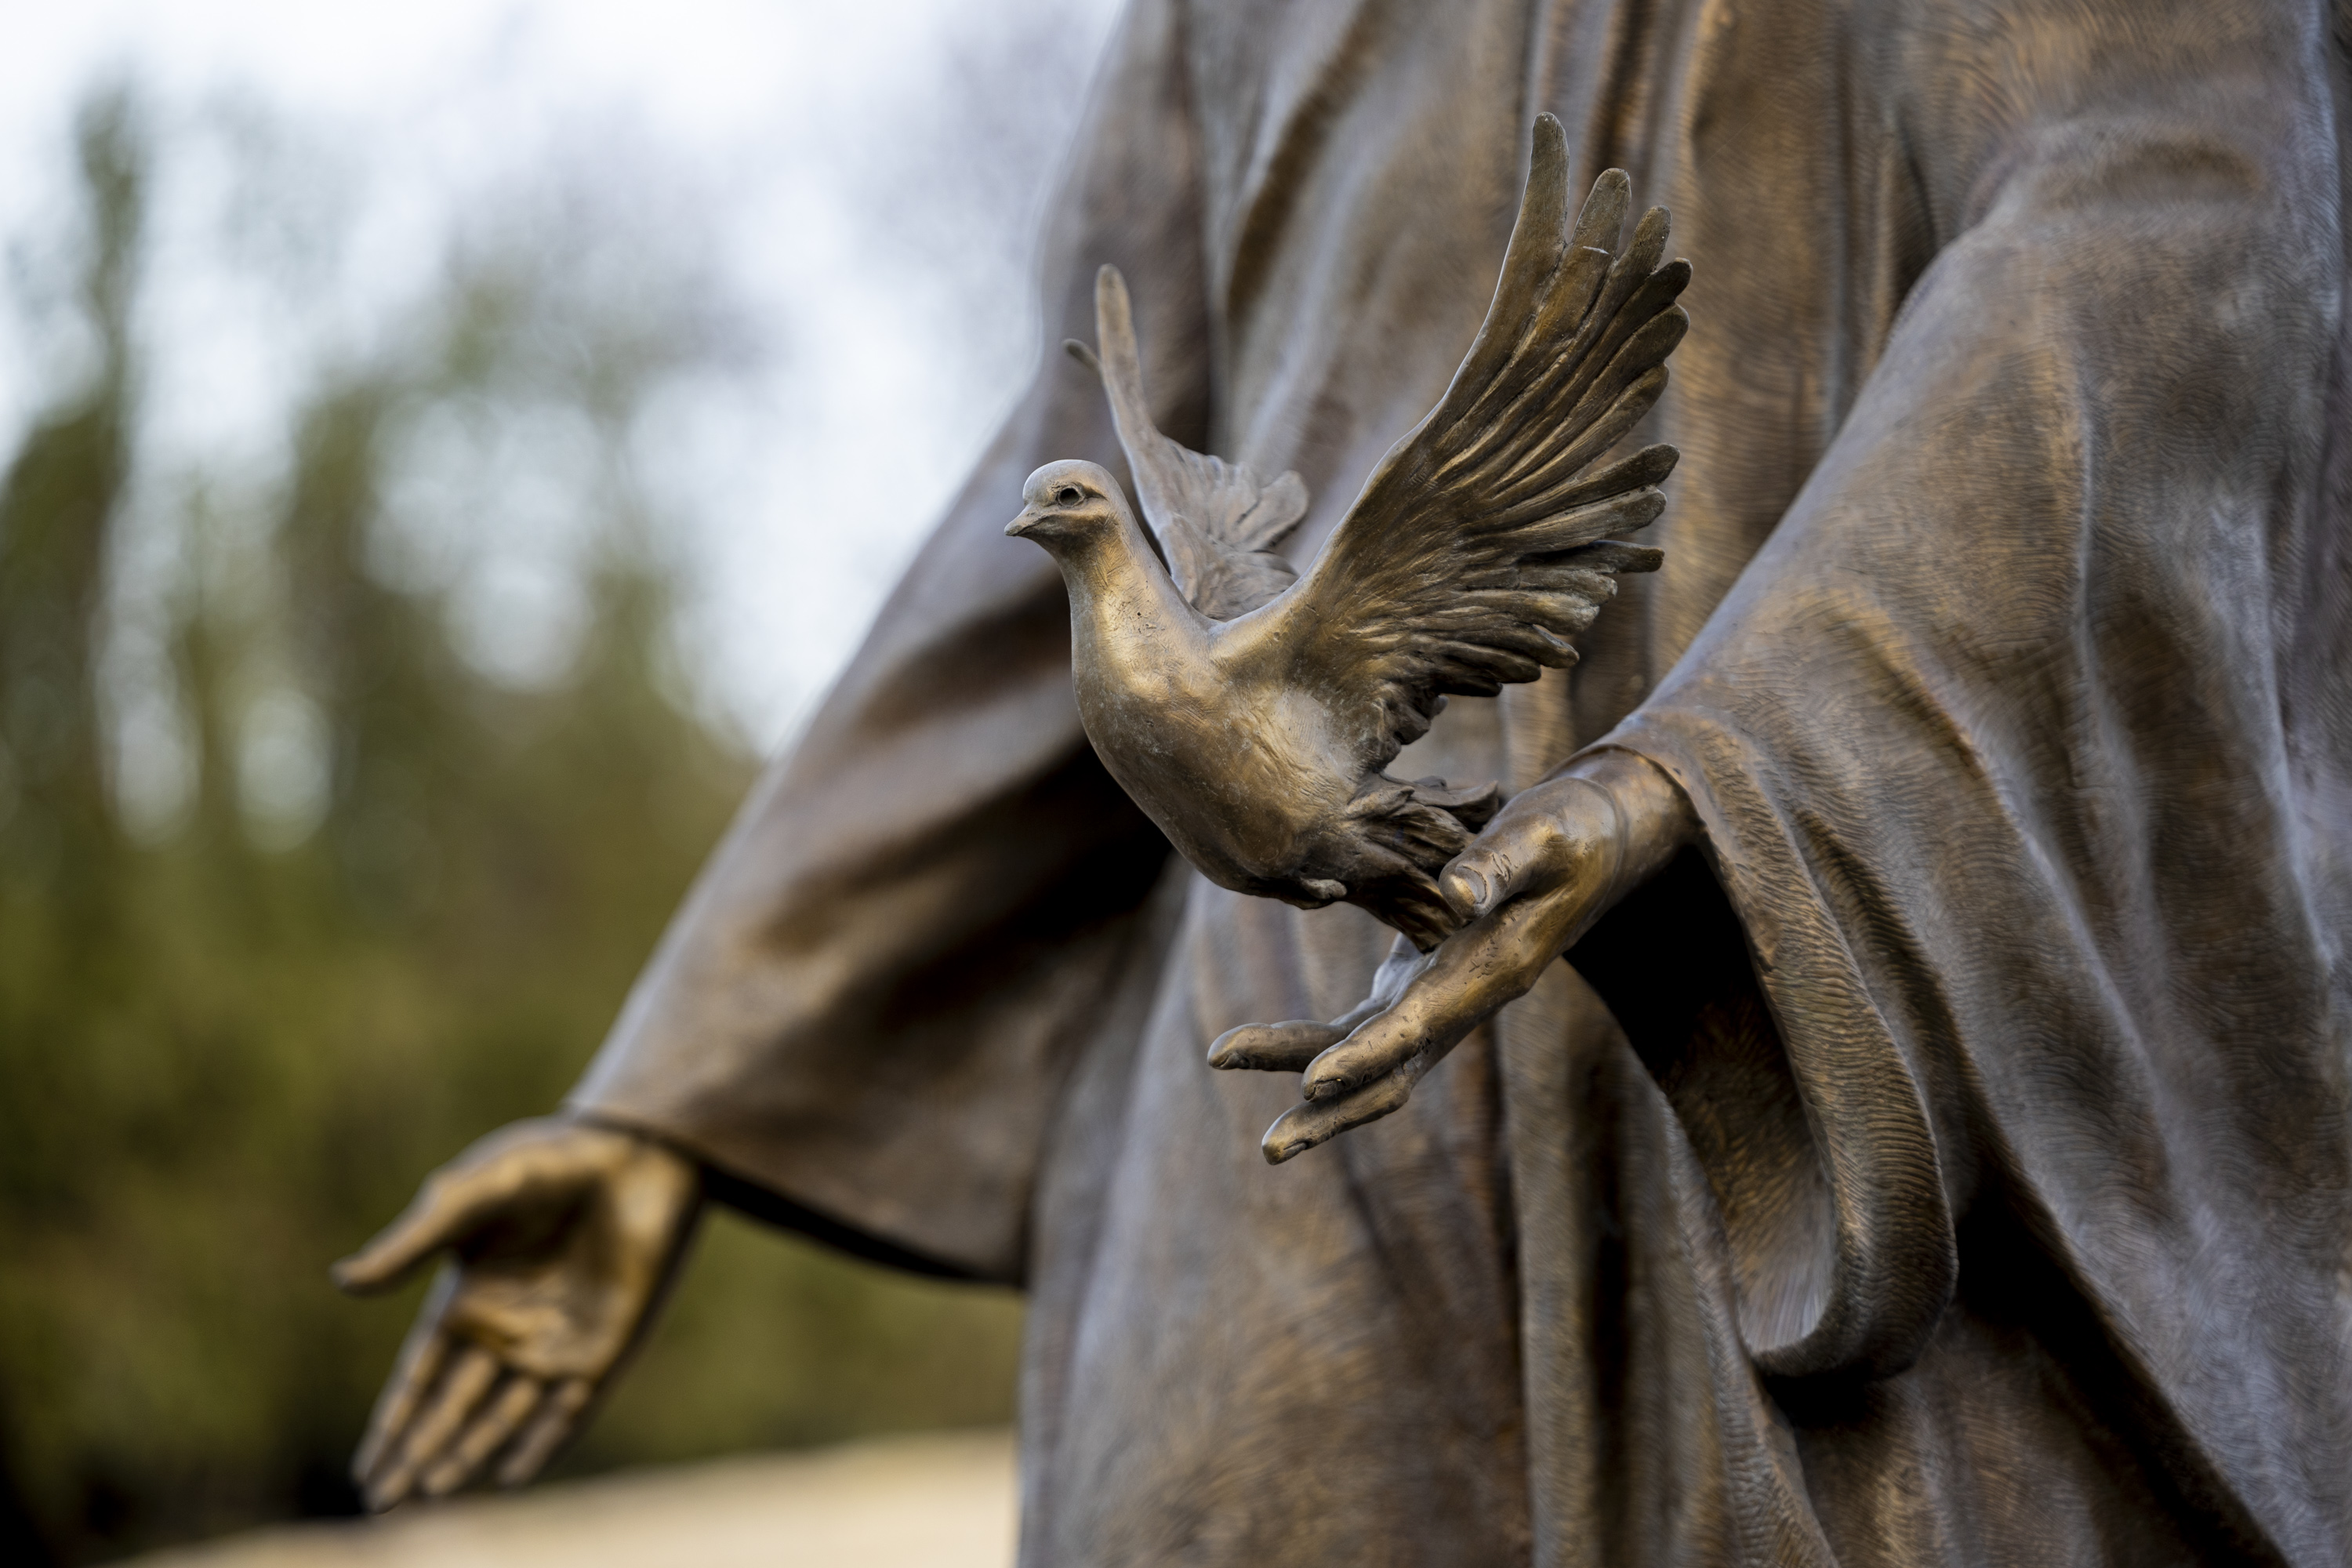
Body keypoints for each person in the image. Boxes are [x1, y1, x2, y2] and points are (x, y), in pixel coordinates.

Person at [336, 0, 2352, 1561]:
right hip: (1281, 1118)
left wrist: (1716, 777)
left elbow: (2167, 205)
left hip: (1829, 1018)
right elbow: (1072, 483)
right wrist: (695, 1072)